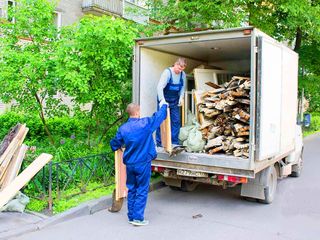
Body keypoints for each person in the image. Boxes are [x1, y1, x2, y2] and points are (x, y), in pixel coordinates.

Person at [110, 101, 168, 226]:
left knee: (131, 189)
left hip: (130, 164)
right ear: (137, 112)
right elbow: (159, 117)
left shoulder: (123, 128)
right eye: (139, 110)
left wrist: (116, 147)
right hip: (142, 163)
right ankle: (138, 218)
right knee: (142, 189)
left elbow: (114, 143)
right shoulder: (145, 124)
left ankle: (131, 216)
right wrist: (164, 105)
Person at [156, 57, 187, 146]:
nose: (180, 71)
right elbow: (159, 87)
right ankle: (160, 142)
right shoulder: (167, 73)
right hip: (164, 98)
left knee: (176, 121)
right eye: (179, 68)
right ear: (176, 64)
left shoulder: (182, 74)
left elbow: (182, 87)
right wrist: (162, 100)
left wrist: (181, 97)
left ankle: (174, 142)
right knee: (161, 119)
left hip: (174, 99)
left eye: (182, 69)